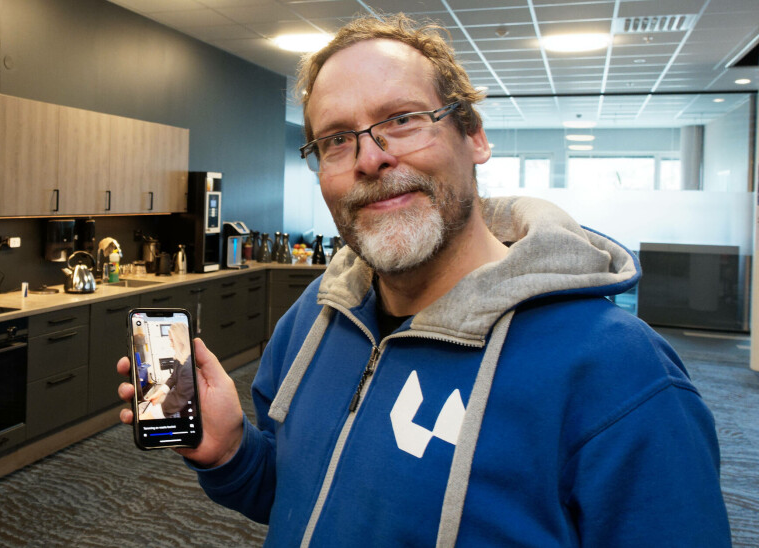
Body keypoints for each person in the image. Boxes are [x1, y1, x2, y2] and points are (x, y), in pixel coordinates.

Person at [117, 13, 731, 547]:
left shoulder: (621, 374)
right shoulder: (316, 316)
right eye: (336, 140)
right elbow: (305, 500)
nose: (371, 157)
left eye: (404, 119)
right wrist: (230, 453)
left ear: (474, 135)